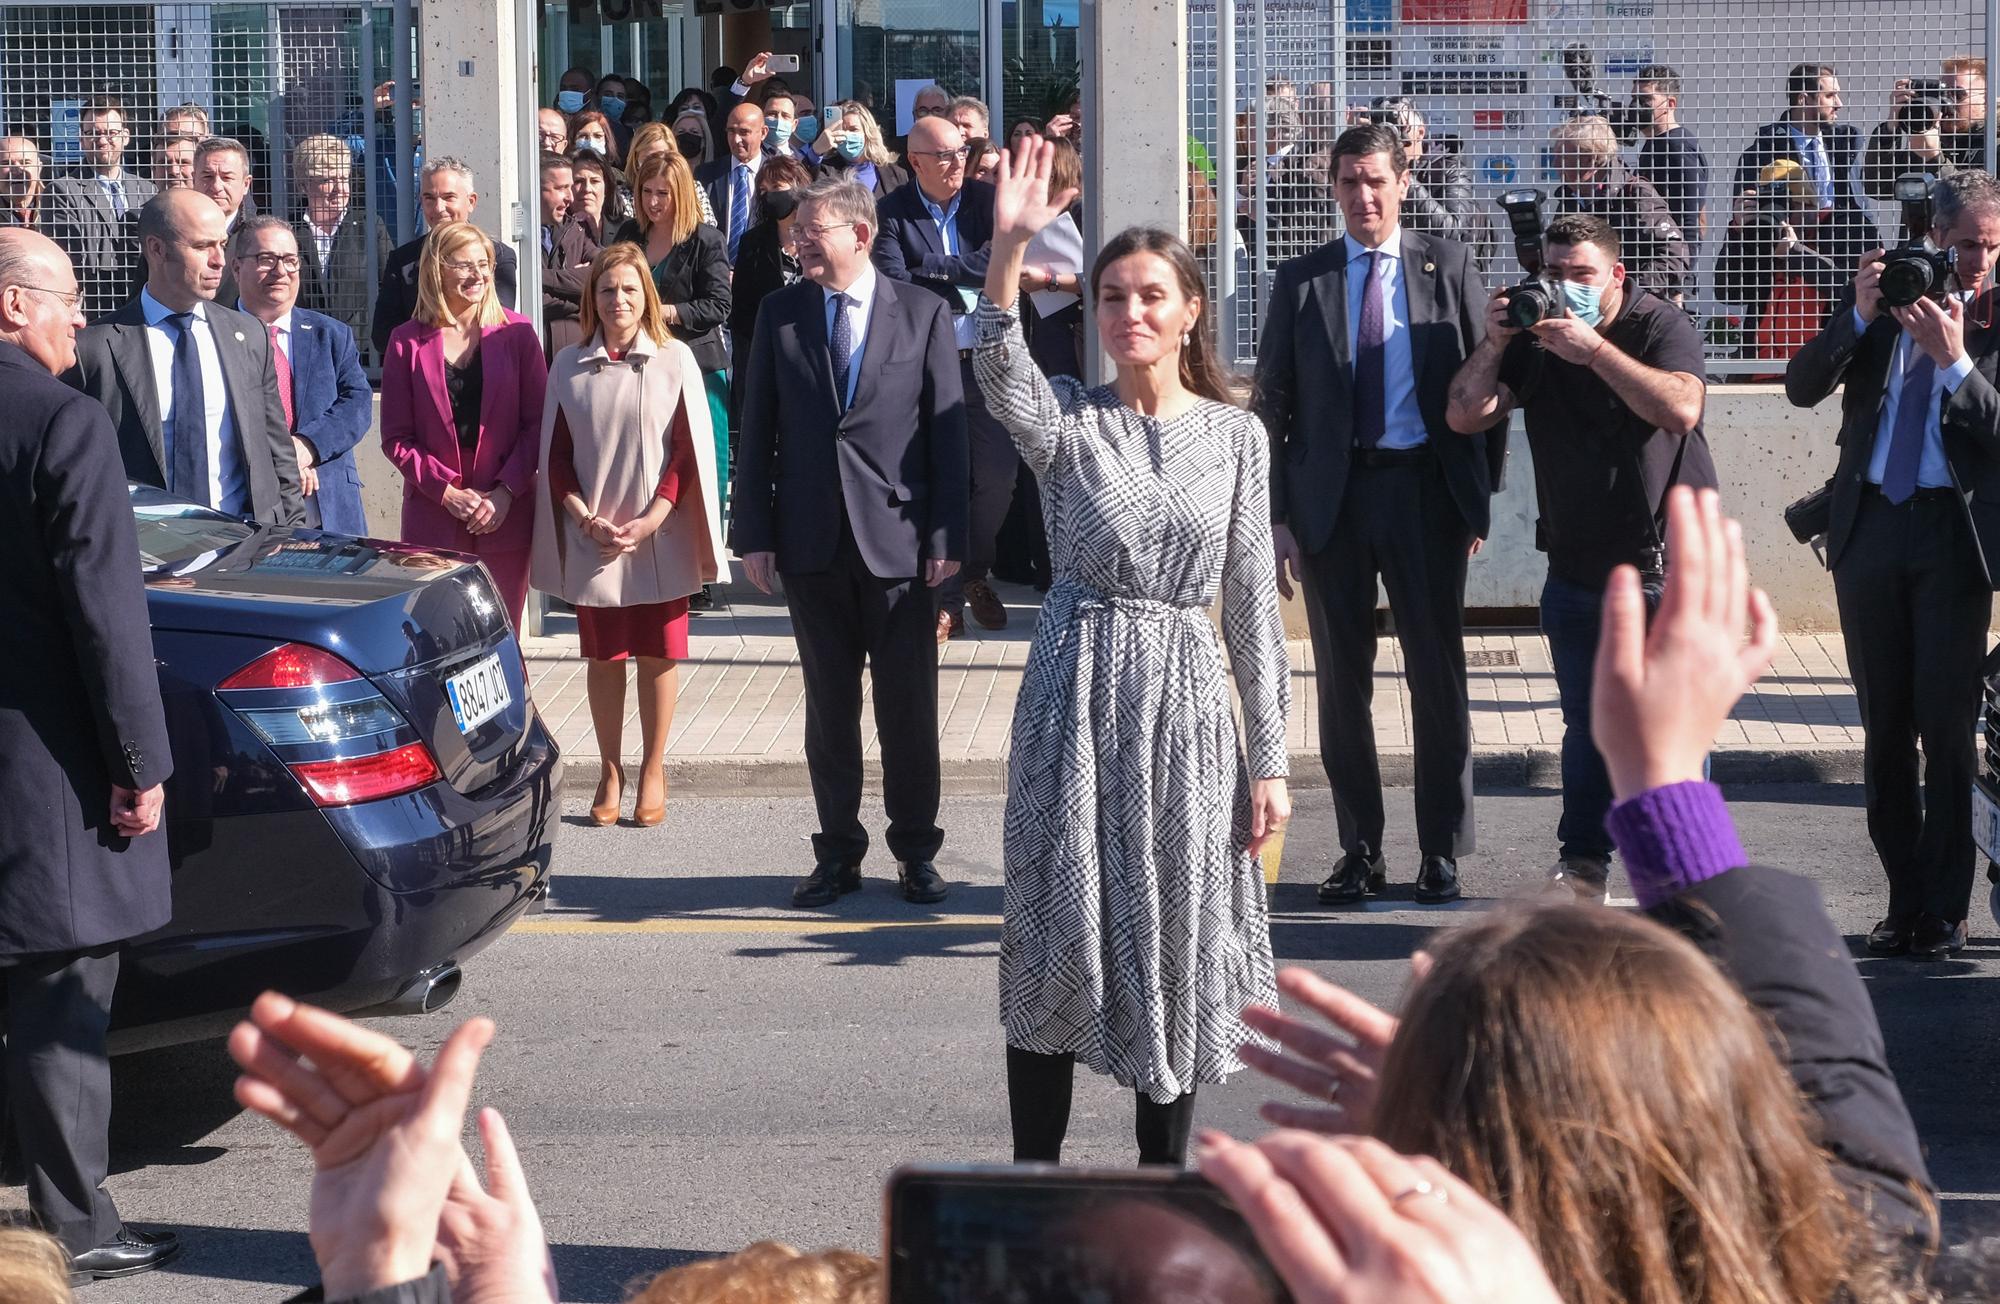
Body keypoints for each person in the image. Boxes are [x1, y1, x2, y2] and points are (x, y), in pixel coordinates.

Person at [1236, 487, 1937, 1301]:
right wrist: (1663, 779)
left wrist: (1446, 1120)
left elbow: (1835, 1088)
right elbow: (1835, 1096)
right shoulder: (1856, 1259)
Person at [975, 138, 1291, 1167]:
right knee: (1056, 927)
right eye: (1112, 296)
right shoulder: (1070, 424)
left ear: (1190, 309)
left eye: (1151, 295)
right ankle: (1034, 1190)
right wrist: (1009, 247)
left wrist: (1272, 759)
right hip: (1075, 692)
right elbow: (995, 364)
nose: (1130, 313)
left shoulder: (1238, 436)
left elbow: (1248, 603)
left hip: (1189, 703)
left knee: (1180, 929)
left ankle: (1162, 1188)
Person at [1256, 124, 1501, 908]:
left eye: (1376, 182)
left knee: (1438, 675)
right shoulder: (1302, 280)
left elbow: (1485, 383)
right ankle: (1359, 849)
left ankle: (1441, 851)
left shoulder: (1449, 264)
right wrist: (1278, 516)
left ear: (1402, 182)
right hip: (1332, 502)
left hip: (1426, 493)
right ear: (1332, 188)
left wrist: (1476, 498)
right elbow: (1272, 406)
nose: (1363, 197)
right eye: (1348, 182)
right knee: (1342, 683)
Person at [0, 227, 181, 1283]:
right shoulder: (63, 422)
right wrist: (138, 762)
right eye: (68, 298)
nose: (82, 316)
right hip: (47, 766)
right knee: (62, 996)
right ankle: (72, 1222)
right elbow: (106, 616)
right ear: (13, 306)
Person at [1446, 212, 1711, 902]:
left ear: (1617, 275)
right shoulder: (1538, 336)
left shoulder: (1657, 325)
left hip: (1662, 569)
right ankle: (1584, 865)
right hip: (1576, 570)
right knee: (1587, 731)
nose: (1566, 288)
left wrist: (1592, 351)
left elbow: (1681, 409)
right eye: (1554, 274)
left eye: (1582, 275)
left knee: (1669, 732)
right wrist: (1497, 340)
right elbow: (1466, 413)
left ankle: (1683, 875)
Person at [731, 176, 968, 909]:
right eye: (797, 231)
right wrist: (754, 535)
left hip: (900, 546)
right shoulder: (781, 313)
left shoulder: (924, 313)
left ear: (859, 235)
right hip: (810, 544)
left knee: (908, 712)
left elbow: (948, 434)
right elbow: (757, 427)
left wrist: (947, 539)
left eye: (813, 229)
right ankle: (838, 854)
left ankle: (916, 853)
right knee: (829, 714)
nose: (799, 240)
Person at [1784, 171, 2000, 959]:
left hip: (1952, 540)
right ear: (1934, 237)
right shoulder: (1887, 304)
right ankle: (1901, 901)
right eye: (1966, 242)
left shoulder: (1993, 318)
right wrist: (1858, 311)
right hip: (1870, 529)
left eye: (1991, 244)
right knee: (1883, 732)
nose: (1977, 260)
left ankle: (1945, 908)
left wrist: (1955, 364)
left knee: (1946, 730)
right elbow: (1802, 387)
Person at [532, 244, 724, 827]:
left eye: (630, 289)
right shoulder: (567, 365)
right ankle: (610, 767)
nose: (619, 300)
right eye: (608, 289)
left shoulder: (675, 360)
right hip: (595, 534)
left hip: (657, 533)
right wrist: (581, 515)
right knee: (605, 655)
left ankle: (654, 767)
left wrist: (654, 519)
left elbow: (689, 454)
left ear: (648, 296)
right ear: (593, 298)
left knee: (659, 653)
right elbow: (555, 456)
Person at [65, 188, 303, 524]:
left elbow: (277, 450)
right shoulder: (95, 348)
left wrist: (290, 532)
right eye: (202, 246)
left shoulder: (249, 336)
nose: (219, 259)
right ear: (157, 249)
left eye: (221, 244)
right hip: (145, 553)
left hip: (245, 546)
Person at [874, 112, 1008, 639]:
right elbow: (895, 281)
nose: (958, 164)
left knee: (996, 478)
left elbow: (995, 261)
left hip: (986, 363)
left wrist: (938, 267)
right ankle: (946, 598)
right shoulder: (890, 212)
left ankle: (973, 570)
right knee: (939, 475)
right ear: (915, 162)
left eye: (962, 152)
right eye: (945, 156)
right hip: (926, 365)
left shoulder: (986, 201)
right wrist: (958, 273)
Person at [379, 220, 547, 629]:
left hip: (505, 511)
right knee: (436, 637)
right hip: (434, 516)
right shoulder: (406, 341)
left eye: (483, 264)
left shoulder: (519, 333)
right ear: (437, 269)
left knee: (499, 635)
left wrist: (506, 492)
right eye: (464, 265)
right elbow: (396, 438)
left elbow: (538, 423)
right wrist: (447, 492)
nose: (478, 275)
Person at [233, 216, 373, 536]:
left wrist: (307, 446)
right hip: (247, 517)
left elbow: (358, 403)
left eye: (290, 260)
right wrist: (282, 460)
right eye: (266, 259)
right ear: (237, 268)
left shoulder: (331, 335)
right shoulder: (215, 337)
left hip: (331, 511)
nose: (280, 271)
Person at [628, 152, 732, 541]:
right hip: (642, 365)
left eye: (664, 193)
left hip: (698, 366)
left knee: (703, 462)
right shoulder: (629, 234)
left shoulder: (705, 240)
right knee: (653, 462)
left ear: (683, 194)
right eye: (647, 192)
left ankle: (704, 555)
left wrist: (664, 311)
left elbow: (719, 305)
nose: (654, 202)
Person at [1715, 159, 1872, 373]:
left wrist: (1795, 253)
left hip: (1822, 372)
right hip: (1762, 369)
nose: (1778, 216)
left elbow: (1855, 291)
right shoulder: (1761, 232)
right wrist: (1738, 232)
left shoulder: (1849, 227)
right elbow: (1729, 292)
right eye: (1768, 205)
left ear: (1809, 202)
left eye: (1786, 206)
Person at [371, 158, 520, 356]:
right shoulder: (404, 260)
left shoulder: (497, 256)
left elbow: (496, 323)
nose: (439, 208)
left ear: (471, 201)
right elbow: (382, 336)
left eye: (449, 197)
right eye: (429, 198)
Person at [1736, 63, 1879, 257]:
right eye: (1830, 96)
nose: (1839, 103)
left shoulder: (1846, 145)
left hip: (1845, 255)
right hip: (1789, 260)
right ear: (1803, 99)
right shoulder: (1762, 153)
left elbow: (1859, 201)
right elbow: (1749, 215)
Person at [1548, 116, 1691, 302]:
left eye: (1565, 158)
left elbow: (1675, 253)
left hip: (1632, 318)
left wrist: (1631, 294)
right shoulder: (1569, 199)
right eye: (1556, 156)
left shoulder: (1635, 194)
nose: (1556, 165)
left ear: (1593, 159)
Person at [46, 94, 155, 320]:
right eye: (92, 133)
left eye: (111, 132)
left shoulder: (149, 190)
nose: (102, 140)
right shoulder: (62, 192)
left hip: (144, 309)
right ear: (81, 139)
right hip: (92, 312)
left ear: (126, 136)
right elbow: (72, 259)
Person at [726, 154, 812, 426]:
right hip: (767, 352)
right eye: (763, 191)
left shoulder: (817, 237)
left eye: (777, 188)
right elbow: (741, 310)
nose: (769, 196)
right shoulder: (752, 242)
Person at [290, 134, 392, 359]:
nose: (340, 189)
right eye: (327, 180)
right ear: (304, 185)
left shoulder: (369, 227)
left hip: (361, 356)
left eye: (343, 179)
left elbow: (390, 289)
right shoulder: (287, 232)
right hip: (302, 353)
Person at [1862, 55, 1989, 200]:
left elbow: (1978, 209)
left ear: (1985, 101)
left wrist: (1934, 158)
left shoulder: (1994, 148)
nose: (1948, 102)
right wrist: (1891, 127)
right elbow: (1877, 188)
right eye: (1943, 93)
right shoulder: (1929, 137)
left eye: (1957, 94)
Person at [1364, 97, 1476, 246]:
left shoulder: (1447, 168)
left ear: (1420, 133)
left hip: (1431, 263)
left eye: (1397, 127)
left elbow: (1454, 232)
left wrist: (1400, 174)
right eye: (1381, 130)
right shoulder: (1361, 169)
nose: (1388, 138)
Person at [1629, 65, 1709, 242]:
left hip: (1669, 262)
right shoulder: (1655, 144)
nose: (1635, 106)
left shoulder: (1677, 146)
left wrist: (1681, 266)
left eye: (1646, 99)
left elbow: (1694, 220)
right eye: (1634, 98)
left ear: (1670, 104)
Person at [539, 152, 598, 360]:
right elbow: (529, 298)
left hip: (576, 357)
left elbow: (601, 273)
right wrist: (581, 301)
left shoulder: (576, 232)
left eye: (569, 187)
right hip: (536, 353)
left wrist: (539, 278)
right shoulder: (520, 241)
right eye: (560, 188)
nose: (570, 197)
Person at [697, 101, 768, 264]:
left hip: (761, 273)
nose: (736, 139)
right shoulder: (706, 174)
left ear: (763, 133)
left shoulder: (776, 175)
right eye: (731, 131)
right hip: (715, 272)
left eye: (744, 132)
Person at [190, 136, 257, 307]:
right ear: (193, 179)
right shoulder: (171, 233)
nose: (216, 186)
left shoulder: (259, 238)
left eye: (226, 177)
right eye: (207, 176)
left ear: (246, 184)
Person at [811, 100, 908, 197]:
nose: (847, 134)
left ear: (868, 133)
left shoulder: (897, 174)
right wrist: (816, 151)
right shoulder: (826, 172)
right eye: (841, 130)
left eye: (854, 129)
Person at [569, 147, 616, 244]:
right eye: (578, 181)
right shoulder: (557, 232)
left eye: (594, 181)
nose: (587, 189)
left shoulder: (626, 230)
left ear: (606, 187)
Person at [0, 135, 44, 228]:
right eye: (6, 163)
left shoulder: (59, 203)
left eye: (25, 162)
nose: (17, 170)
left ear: (39, 168)